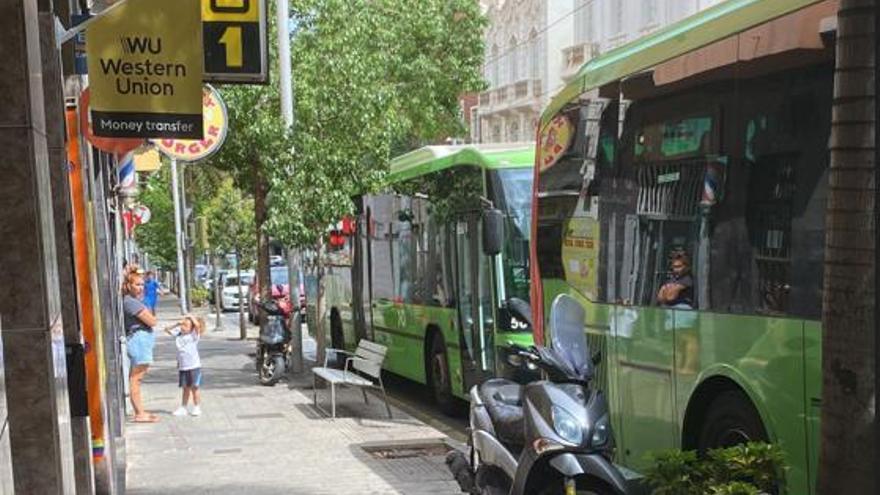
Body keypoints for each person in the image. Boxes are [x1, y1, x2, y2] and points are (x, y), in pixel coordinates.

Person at [122, 266, 159, 423]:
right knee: (136, 378)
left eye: (142, 284)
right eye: (137, 284)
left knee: (137, 377)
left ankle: (140, 411)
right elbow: (152, 320)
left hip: (142, 339)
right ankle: (139, 413)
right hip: (139, 340)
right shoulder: (131, 303)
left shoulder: (135, 301)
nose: (141, 288)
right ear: (129, 285)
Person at [165, 315, 205, 417]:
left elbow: (197, 325)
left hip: (193, 366)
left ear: (191, 329)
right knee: (185, 388)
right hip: (183, 366)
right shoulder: (178, 334)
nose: (183, 327)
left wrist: (190, 316)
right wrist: (177, 324)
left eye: (186, 326)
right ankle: (183, 407)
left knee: (194, 388)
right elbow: (166, 329)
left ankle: (196, 407)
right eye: (182, 325)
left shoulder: (193, 336)